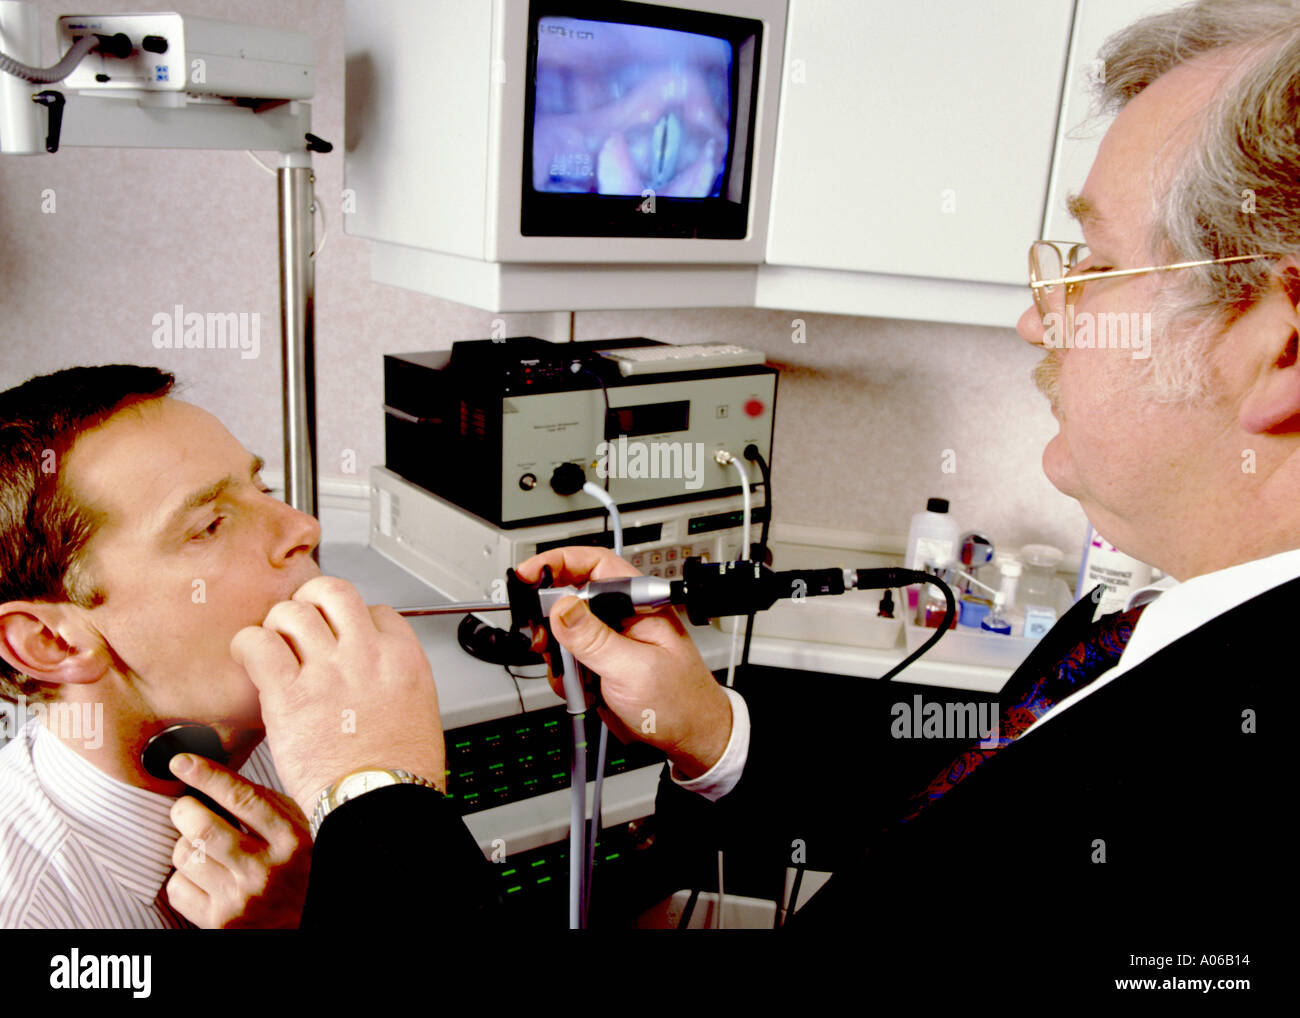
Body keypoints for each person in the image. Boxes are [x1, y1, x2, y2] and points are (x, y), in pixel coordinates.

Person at [0, 367, 324, 928]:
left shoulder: (327, 724)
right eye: (210, 525)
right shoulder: (22, 912)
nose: (303, 526)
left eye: (263, 489)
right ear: (52, 641)